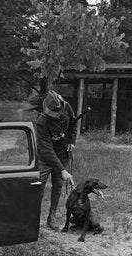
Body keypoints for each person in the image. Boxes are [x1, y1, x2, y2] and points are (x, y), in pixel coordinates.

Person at [37, 89, 77, 231]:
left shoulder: (66, 107)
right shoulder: (41, 122)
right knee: (38, 186)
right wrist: (63, 170)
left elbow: (73, 123)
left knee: (58, 184)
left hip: (62, 151)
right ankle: (34, 217)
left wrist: (71, 140)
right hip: (45, 157)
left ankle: (51, 216)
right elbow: (47, 151)